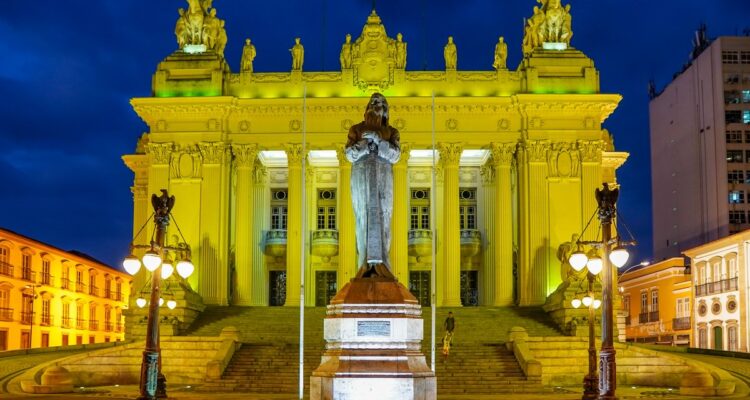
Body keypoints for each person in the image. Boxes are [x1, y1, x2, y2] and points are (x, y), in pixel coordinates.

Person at [345, 93, 401, 279]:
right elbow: (348, 155)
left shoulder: (391, 132)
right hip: (361, 174)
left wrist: (379, 140)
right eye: (373, 102)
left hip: (383, 175)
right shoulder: (356, 129)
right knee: (362, 218)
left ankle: (383, 264)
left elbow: (395, 155)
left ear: (385, 110)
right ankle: (364, 264)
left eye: (380, 103)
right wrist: (363, 143)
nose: (375, 105)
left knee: (383, 218)